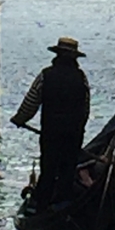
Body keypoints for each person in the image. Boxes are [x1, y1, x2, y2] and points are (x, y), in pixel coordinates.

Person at [11, 37, 90, 210]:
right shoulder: (81, 77)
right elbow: (85, 108)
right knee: (68, 168)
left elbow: (31, 102)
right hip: (73, 133)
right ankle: (64, 201)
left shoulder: (45, 75)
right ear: (74, 58)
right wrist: (79, 128)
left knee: (48, 167)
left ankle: (42, 203)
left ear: (57, 55)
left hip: (51, 132)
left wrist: (20, 119)